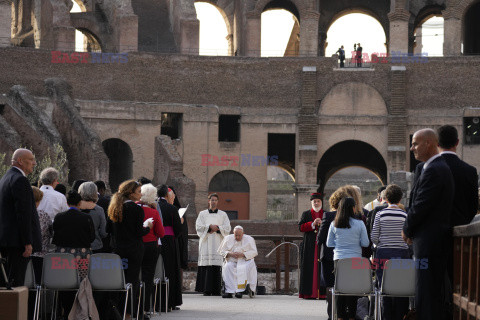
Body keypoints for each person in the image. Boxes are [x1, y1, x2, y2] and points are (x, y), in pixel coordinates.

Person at [402, 128, 454, 320]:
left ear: (428, 143)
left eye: (415, 143)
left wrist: (407, 228)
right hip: (429, 240)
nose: (411, 147)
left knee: (427, 294)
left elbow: (421, 204)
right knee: (426, 293)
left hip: (429, 241)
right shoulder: (433, 167)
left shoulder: (435, 169)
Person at [437, 125, 478, 318]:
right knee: (459, 283)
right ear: (457, 142)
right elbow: (473, 207)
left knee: (433, 284)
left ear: (437, 143)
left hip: (433, 236)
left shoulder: (426, 168)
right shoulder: (469, 171)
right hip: (461, 238)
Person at [108, 180, 153, 319]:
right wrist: (148, 227)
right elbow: (138, 232)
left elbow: (108, 230)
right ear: (131, 193)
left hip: (119, 250)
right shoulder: (136, 209)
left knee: (118, 281)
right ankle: (128, 313)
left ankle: (116, 312)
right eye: (139, 191)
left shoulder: (114, 207)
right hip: (134, 250)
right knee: (132, 282)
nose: (141, 194)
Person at [0, 148, 41, 287]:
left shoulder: (5, 178)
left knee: (6, 284)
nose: (34, 163)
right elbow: (23, 214)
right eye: (31, 160)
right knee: (16, 285)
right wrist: (27, 242)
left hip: (7, 240)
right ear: (20, 161)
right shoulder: (20, 180)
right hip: (18, 243)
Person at [53, 190, 95, 318]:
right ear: (79, 203)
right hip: (82, 255)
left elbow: (54, 233)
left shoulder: (59, 217)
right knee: (81, 283)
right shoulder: (86, 218)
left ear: (67, 202)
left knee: (64, 282)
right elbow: (92, 237)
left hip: (62, 254)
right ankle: (79, 312)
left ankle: (64, 311)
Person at [371, 184, 410, 320]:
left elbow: (374, 237)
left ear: (386, 198)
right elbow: (409, 236)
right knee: (401, 288)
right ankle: (400, 316)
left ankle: (386, 317)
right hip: (402, 254)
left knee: (384, 288)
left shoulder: (380, 214)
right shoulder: (405, 215)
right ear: (400, 198)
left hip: (383, 254)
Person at [327, 197, 369, 320]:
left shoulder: (334, 224)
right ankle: (351, 316)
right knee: (353, 289)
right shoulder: (360, 223)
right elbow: (365, 243)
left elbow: (329, 243)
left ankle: (340, 316)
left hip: (339, 259)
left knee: (340, 288)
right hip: (355, 259)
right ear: (352, 208)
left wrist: (340, 244)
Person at [317, 187, 349, 320]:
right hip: (347, 256)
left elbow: (320, 238)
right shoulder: (353, 217)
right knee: (345, 286)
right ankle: (343, 314)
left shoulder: (329, 216)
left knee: (330, 286)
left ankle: (331, 315)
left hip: (330, 257)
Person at [195, 193, 231, 296]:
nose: (213, 202)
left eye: (215, 200)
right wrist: (209, 227)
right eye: (212, 200)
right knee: (206, 265)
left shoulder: (223, 214)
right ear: (209, 201)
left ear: (218, 202)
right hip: (206, 242)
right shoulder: (202, 214)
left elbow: (227, 228)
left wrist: (218, 228)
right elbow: (198, 227)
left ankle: (216, 290)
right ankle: (206, 289)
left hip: (217, 242)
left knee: (216, 265)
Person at [137, 183, 165, 315]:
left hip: (135, 244)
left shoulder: (133, 207)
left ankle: (133, 305)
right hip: (150, 245)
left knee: (134, 275)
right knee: (148, 277)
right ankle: (146, 307)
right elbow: (161, 233)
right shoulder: (153, 211)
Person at [157, 184, 183, 311]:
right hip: (169, 242)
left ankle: (157, 302)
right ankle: (170, 302)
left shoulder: (154, 206)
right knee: (170, 271)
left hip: (156, 241)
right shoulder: (171, 208)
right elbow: (178, 230)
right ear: (167, 195)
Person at [218, 226, 258, 298]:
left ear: (243, 234)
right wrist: (230, 254)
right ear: (233, 233)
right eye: (235, 235)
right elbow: (221, 251)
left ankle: (240, 291)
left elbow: (254, 252)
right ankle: (229, 291)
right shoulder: (228, 238)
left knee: (243, 268)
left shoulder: (249, 239)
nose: (237, 237)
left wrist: (243, 254)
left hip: (245, 260)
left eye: (239, 235)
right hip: (232, 260)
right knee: (228, 267)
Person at [298, 192, 325, 299]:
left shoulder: (326, 214)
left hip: (322, 245)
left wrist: (322, 224)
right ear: (311, 203)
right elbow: (300, 227)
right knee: (309, 268)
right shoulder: (306, 214)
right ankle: (309, 293)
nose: (316, 203)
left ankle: (322, 294)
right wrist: (312, 224)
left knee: (322, 268)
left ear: (321, 202)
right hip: (309, 245)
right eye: (314, 202)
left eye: (318, 201)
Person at [78, 181, 107, 253]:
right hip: (95, 246)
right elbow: (104, 232)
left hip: (77, 247)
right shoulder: (99, 210)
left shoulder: (75, 208)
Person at [31, 186, 50, 285]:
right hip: (40, 254)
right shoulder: (44, 215)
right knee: (38, 283)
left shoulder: (18, 213)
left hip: (22, 254)